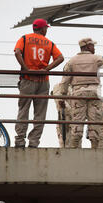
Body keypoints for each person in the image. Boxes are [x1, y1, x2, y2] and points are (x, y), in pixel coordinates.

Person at [60, 37, 103, 149]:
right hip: (94, 93)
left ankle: (72, 151)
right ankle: (95, 151)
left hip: (78, 94)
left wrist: (62, 97)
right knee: (95, 125)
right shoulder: (96, 58)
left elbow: (65, 81)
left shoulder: (71, 61)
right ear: (87, 47)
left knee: (77, 125)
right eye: (92, 45)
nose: (94, 47)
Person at [13, 18, 64, 148]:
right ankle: (34, 142)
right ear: (42, 29)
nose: (46, 30)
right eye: (45, 28)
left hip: (27, 79)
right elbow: (60, 58)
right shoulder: (49, 43)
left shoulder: (24, 39)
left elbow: (17, 52)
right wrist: (46, 69)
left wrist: (25, 68)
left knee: (23, 110)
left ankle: (19, 141)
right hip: (43, 81)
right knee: (40, 114)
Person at [52, 82, 71, 147]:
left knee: (76, 142)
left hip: (75, 118)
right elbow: (60, 102)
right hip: (64, 117)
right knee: (64, 142)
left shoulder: (76, 86)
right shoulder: (58, 86)